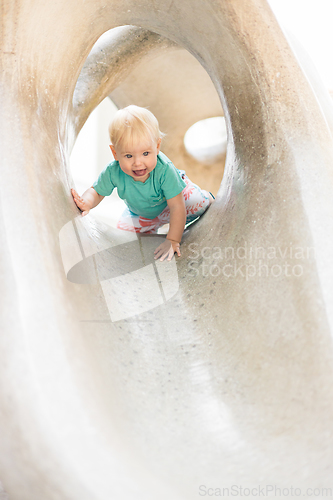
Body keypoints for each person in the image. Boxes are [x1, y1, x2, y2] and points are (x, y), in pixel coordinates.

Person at [71, 105, 214, 261]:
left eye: (146, 153)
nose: (138, 163)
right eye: (129, 156)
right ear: (115, 153)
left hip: (173, 203)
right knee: (124, 239)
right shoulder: (113, 171)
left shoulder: (165, 170)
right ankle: (151, 230)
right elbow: (97, 191)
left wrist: (173, 240)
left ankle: (206, 196)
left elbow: (177, 206)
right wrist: (86, 202)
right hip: (141, 214)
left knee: (197, 202)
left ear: (157, 147)